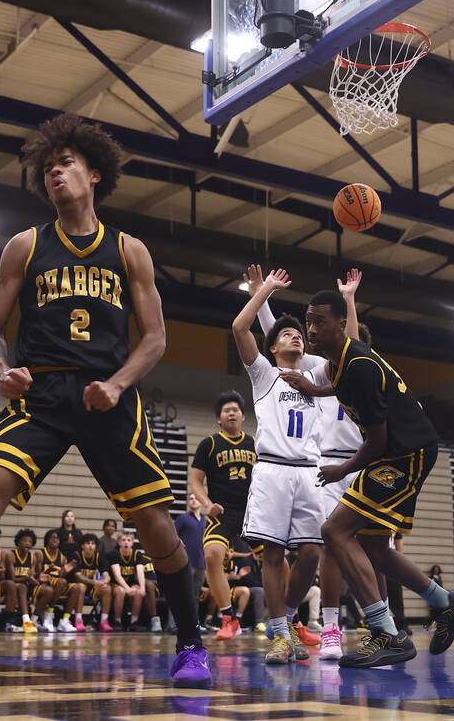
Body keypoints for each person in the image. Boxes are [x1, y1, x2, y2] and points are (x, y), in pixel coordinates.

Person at [0, 114, 208, 696]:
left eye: (65, 163)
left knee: (156, 525)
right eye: (47, 167)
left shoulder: (129, 250)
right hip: (40, 394)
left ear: (94, 174)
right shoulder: (25, 245)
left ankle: (191, 642)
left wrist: (118, 384)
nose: (54, 172)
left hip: (107, 397)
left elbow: (156, 337)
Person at [293, 288, 454, 668]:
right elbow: (341, 387)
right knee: (374, 547)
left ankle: (387, 633)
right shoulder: (340, 361)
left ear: (342, 325)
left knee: (334, 532)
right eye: (307, 321)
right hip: (396, 450)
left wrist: (341, 469)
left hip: (406, 453)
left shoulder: (357, 364)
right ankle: (446, 603)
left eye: (318, 322)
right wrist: (314, 389)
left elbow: (377, 440)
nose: (310, 329)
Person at [231, 268, 327, 665]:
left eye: (299, 334)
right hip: (272, 469)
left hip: (309, 471)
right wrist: (264, 292)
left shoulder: (315, 373)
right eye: (286, 334)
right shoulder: (264, 375)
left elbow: (350, 349)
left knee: (311, 555)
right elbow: (240, 327)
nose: (295, 336)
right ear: (271, 348)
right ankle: (280, 635)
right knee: (273, 555)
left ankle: (286, 621)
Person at [188, 391, 257, 641]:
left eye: (235, 409)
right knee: (211, 555)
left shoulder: (255, 443)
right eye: (226, 410)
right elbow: (195, 480)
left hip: (253, 512)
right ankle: (228, 618)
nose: (231, 413)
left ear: (242, 415)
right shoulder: (209, 444)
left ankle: (291, 621)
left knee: (278, 562)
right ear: (219, 418)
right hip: (223, 513)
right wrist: (207, 503)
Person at [33, 528, 82, 632]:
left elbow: (61, 576)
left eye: (57, 538)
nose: (55, 540)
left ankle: (64, 621)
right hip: (43, 584)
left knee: (77, 587)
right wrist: (47, 571)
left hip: (58, 585)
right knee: (61, 582)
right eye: (53, 538)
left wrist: (65, 571)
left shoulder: (62, 557)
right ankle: (49, 614)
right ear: (47, 540)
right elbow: (37, 574)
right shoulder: (40, 554)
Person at [107, 532, 150, 629]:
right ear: (119, 542)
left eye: (129, 540)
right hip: (116, 584)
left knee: (139, 591)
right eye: (123, 540)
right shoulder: (115, 553)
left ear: (132, 543)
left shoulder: (137, 554)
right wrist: (127, 588)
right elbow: (117, 575)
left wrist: (142, 588)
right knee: (121, 591)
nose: (126, 543)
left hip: (131, 583)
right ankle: (117, 621)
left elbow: (140, 572)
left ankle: (134, 622)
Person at [174, 492, 207, 614]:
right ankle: (174, 625)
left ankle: (194, 624)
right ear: (188, 502)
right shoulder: (183, 518)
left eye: (196, 498)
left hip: (200, 563)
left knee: (195, 596)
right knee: (180, 593)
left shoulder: (205, 521)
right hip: (185, 562)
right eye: (191, 499)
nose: (193, 500)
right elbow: (173, 535)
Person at [71, 533, 110, 631]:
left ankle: (104, 621)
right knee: (81, 586)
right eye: (88, 543)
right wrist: (95, 582)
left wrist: (104, 581)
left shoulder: (98, 557)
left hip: (91, 587)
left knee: (107, 588)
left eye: (93, 543)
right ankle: (78, 619)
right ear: (82, 546)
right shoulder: (76, 555)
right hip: (74, 587)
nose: (90, 546)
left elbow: (106, 574)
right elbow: (78, 576)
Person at [7, 529, 39, 633]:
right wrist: (27, 579)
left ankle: (37, 619)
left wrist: (40, 577)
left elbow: (32, 577)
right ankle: (26, 621)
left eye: (30, 541)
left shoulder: (33, 557)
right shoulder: (11, 555)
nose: (27, 543)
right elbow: (12, 578)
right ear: (18, 542)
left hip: (26, 586)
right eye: (24, 541)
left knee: (48, 591)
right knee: (21, 587)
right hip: (12, 586)